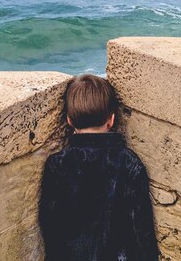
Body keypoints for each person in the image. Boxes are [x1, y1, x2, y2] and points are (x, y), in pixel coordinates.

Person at [38, 74, 160, 261]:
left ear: (69, 120)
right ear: (111, 120)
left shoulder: (56, 165)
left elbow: (50, 228)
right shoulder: (129, 164)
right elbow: (142, 233)